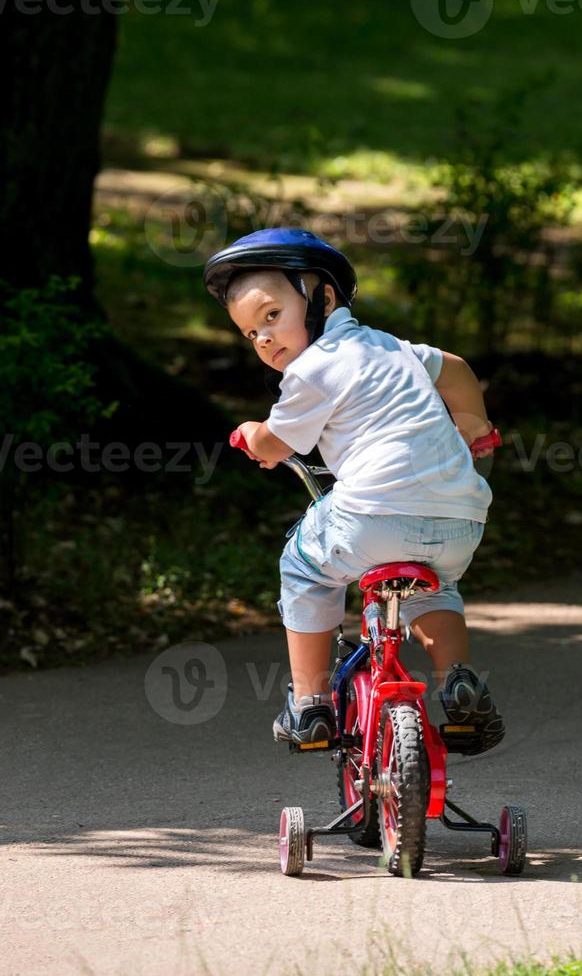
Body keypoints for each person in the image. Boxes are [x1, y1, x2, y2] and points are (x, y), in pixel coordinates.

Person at [203, 228, 506, 756]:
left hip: (371, 515)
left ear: (322, 298)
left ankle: (310, 704)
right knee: (433, 587)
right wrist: (472, 426)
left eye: (271, 316)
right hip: (460, 518)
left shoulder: (313, 369)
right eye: (250, 334)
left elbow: (277, 442)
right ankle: (458, 681)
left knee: (302, 566)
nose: (265, 339)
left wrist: (253, 435)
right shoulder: (393, 348)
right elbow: (454, 369)